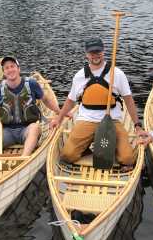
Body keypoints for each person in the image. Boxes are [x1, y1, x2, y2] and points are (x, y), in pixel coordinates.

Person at [50, 38, 142, 166]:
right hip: (87, 120)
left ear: (103, 51)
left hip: (111, 121)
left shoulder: (117, 73)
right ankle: (89, 146)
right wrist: (58, 119)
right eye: (92, 52)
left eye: (98, 51)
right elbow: (70, 101)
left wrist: (137, 125)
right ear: (87, 54)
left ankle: (110, 147)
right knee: (67, 155)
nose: (95, 55)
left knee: (127, 159)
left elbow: (128, 100)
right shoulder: (80, 76)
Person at [0, 56, 60, 161]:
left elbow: (46, 100)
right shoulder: (1, 88)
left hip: (27, 130)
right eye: (6, 68)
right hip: (8, 131)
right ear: (4, 72)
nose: (10, 70)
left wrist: (60, 112)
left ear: (18, 69)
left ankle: (23, 158)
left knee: (35, 127)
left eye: (12, 66)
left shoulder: (31, 84)